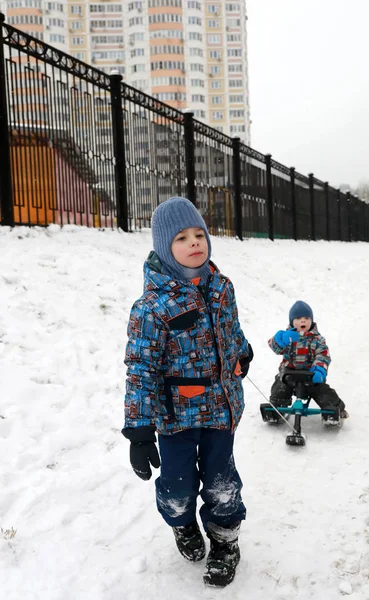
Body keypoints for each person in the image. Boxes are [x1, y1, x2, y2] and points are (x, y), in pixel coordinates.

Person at [122, 197, 253, 588]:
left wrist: (242, 353)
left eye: (199, 234)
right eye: (182, 237)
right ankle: (182, 525)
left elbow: (230, 330)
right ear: (165, 247)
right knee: (178, 486)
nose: (194, 242)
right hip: (175, 417)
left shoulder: (221, 287)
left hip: (221, 410)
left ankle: (226, 541)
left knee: (221, 481)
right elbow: (140, 368)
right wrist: (139, 428)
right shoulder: (151, 306)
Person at [267, 300, 347, 423]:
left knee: (323, 392)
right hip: (289, 373)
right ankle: (277, 410)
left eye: (306, 318)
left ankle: (335, 409)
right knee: (279, 387)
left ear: (311, 321)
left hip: (310, 374)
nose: (303, 321)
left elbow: (323, 355)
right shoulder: (288, 337)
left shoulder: (317, 339)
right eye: (298, 318)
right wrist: (279, 340)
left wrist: (319, 369)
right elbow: (275, 348)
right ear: (292, 322)